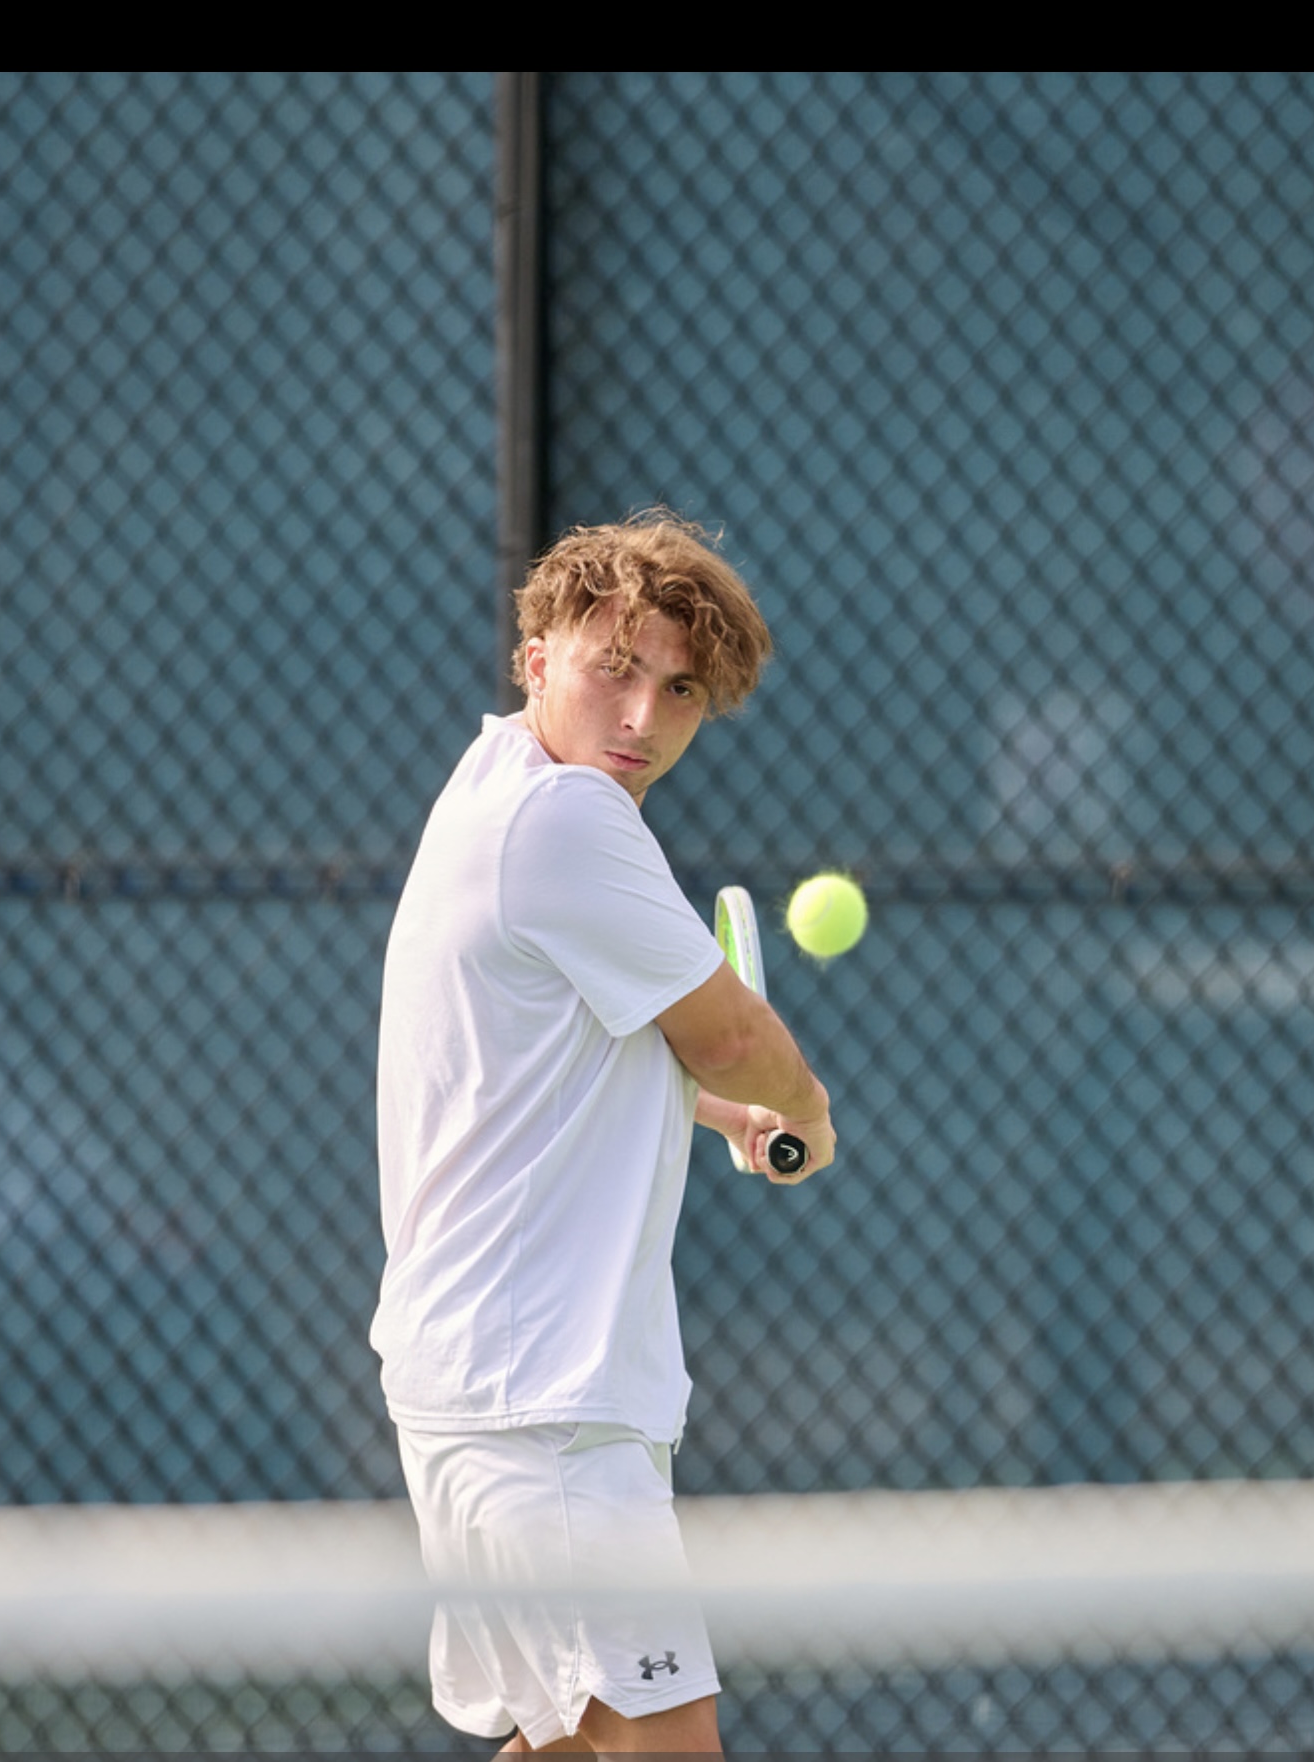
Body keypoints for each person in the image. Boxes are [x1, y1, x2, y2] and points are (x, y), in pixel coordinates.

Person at [372, 512, 837, 1754]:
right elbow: (735, 1033)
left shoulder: (493, 789)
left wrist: (709, 1103)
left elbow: (555, 1068)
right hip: (543, 1408)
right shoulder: (569, 824)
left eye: (679, 689)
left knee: (570, 1742)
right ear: (536, 659)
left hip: (493, 1390)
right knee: (663, 1741)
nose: (643, 717)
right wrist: (803, 1107)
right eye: (613, 669)